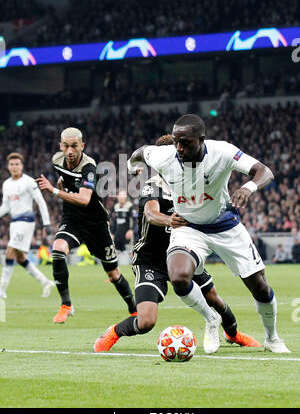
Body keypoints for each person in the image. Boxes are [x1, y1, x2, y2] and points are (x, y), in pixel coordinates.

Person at [126, 114, 291, 354]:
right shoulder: (164, 155)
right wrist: (132, 167)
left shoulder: (222, 152)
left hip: (225, 226)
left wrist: (247, 187)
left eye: (186, 143)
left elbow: (263, 171)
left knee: (260, 288)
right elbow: (140, 152)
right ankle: (211, 319)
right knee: (179, 276)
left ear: (201, 139)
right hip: (189, 228)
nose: (179, 148)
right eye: (176, 142)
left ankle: (272, 337)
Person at [94, 135, 261, 354]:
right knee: (146, 322)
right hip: (151, 259)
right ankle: (114, 332)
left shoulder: (192, 182)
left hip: (184, 253)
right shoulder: (151, 186)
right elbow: (151, 213)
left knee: (215, 300)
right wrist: (169, 220)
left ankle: (233, 334)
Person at [35, 127, 136, 323]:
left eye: (74, 146)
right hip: (72, 220)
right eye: (66, 146)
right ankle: (66, 305)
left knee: (114, 274)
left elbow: (84, 199)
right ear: (60, 146)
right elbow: (63, 178)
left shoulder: (89, 167)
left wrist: (54, 191)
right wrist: (61, 186)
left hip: (95, 224)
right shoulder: (57, 160)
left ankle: (134, 310)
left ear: (82, 145)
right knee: (57, 250)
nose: (70, 151)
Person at [0, 152, 55, 299]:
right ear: (8, 166)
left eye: (17, 164)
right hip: (14, 223)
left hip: (26, 221)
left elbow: (41, 202)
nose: (14, 167)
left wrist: (47, 223)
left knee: (9, 252)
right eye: (12, 164)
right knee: (20, 258)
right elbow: (5, 207)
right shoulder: (6, 184)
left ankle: (1, 289)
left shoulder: (29, 182)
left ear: (22, 166)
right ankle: (45, 282)